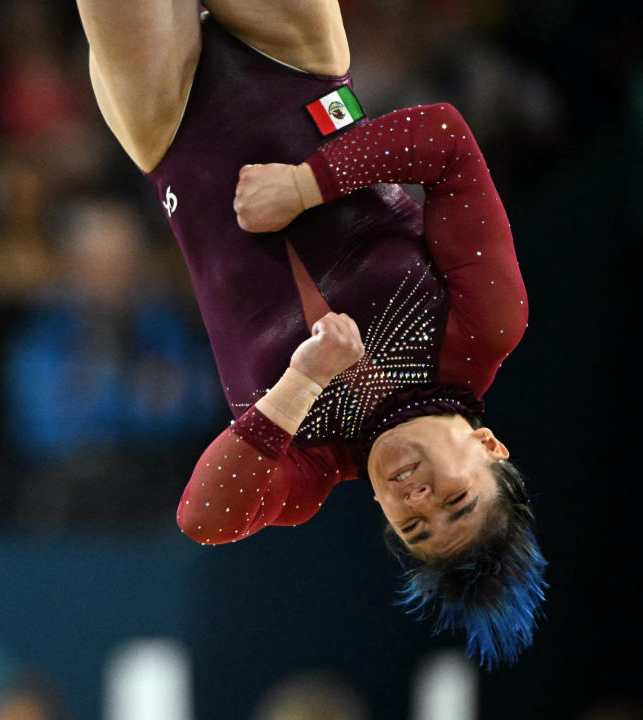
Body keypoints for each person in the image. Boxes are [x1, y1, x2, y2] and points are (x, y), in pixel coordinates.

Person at [75, 0, 547, 668]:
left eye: (413, 525)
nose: (420, 498)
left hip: (168, 125)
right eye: (455, 499)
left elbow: (201, 519)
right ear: (489, 448)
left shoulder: (310, 466)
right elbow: (444, 141)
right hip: (296, 61)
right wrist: (305, 185)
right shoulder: (481, 331)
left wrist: (303, 380)